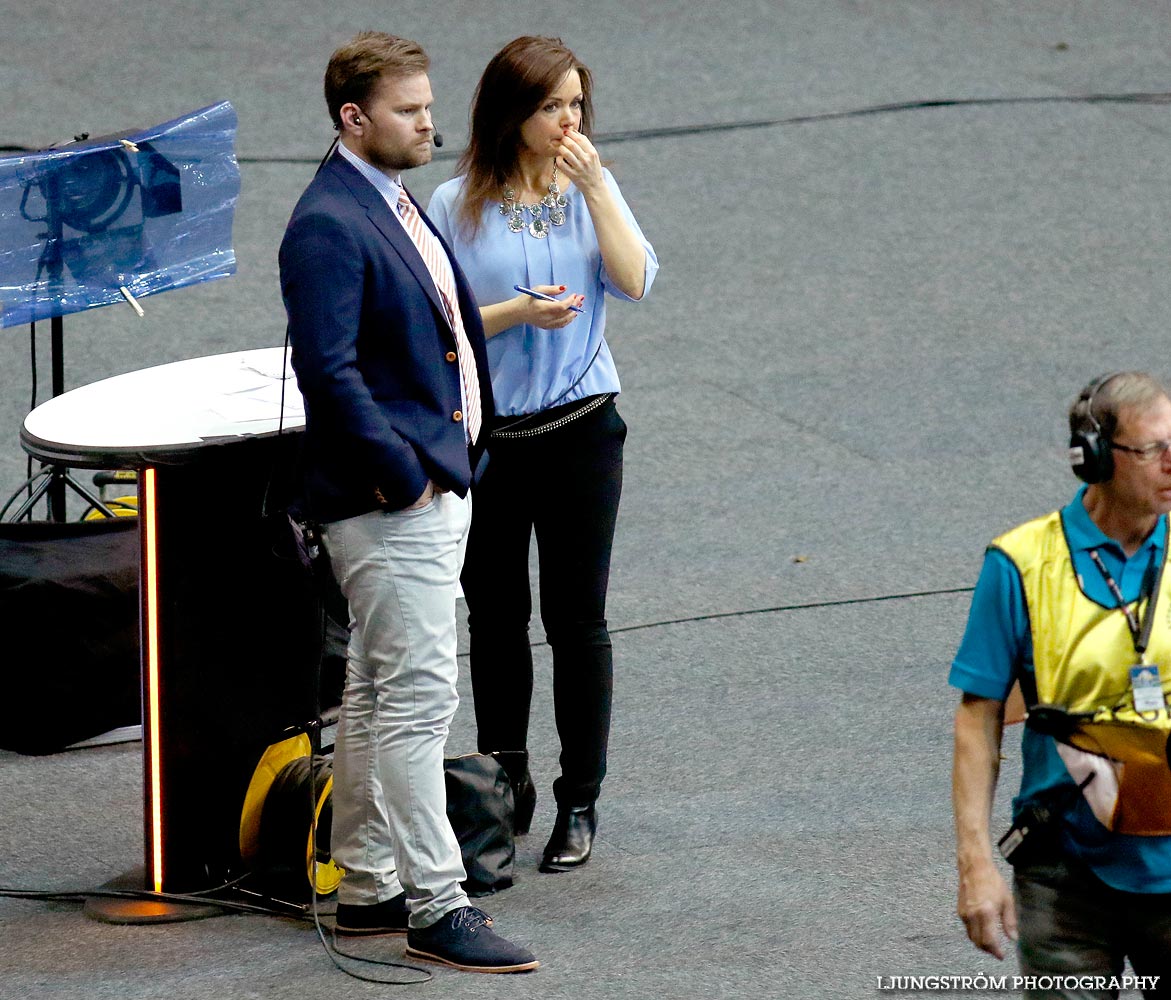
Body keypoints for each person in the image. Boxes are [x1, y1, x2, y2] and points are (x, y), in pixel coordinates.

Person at [279, 31, 537, 974]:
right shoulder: (326, 225)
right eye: (409, 111)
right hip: (394, 502)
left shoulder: (382, 199)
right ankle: (437, 903)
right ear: (354, 118)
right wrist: (402, 470)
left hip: (430, 485)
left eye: (429, 106)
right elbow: (327, 373)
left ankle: (368, 887)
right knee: (418, 703)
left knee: (374, 692)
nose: (431, 124)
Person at [427, 35, 658, 873]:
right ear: (510, 113)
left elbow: (634, 280)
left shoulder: (590, 188)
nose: (567, 120)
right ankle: (503, 783)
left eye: (575, 104)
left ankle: (580, 799)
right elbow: (437, 321)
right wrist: (513, 313)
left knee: (576, 620)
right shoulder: (454, 203)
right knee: (493, 620)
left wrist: (597, 187)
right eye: (550, 106)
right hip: (492, 438)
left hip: (582, 432)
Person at [951, 371, 1171, 996]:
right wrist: (975, 863)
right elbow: (978, 715)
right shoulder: (1021, 564)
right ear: (1095, 457)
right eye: (1153, 448)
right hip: (1066, 876)